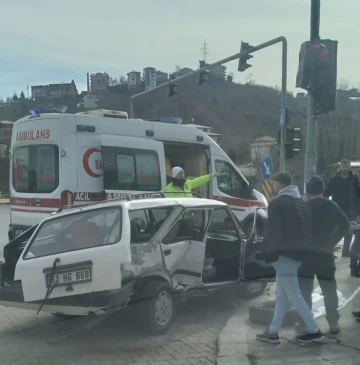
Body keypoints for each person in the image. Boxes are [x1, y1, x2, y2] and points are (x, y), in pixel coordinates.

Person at [256, 172, 324, 344]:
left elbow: (274, 232)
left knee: (294, 294)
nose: (273, 187)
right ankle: (272, 331)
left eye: (274, 184)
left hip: (283, 255)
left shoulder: (278, 203)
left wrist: (270, 254)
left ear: (279, 185)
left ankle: (314, 330)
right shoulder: (302, 203)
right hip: (298, 255)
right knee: (281, 296)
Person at [296, 175, 349, 335]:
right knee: (329, 289)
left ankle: (305, 323)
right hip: (325, 255)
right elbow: (346, 226)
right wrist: (333, 241)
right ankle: (333, 323)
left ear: (308, 190)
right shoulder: (332, 206)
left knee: (304, 291)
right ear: (323, 190)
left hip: (306, 256)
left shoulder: (302, 206)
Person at [324, 159, 355, 257]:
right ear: (340, 167)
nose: (345, 168)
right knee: (335, 229)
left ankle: (346, 250)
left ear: (349, 166)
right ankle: (329, 248)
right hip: (336, 207)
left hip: (350, 208)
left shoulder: (354, 179)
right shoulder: (334, 179)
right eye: (343, 166)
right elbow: (327, 193)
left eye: (347, 166)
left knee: (349, 229)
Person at [350, 174, 360, 277]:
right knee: (358, 241)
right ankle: (353, 266)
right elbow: (354, 199)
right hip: (358, 215)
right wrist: (358, 214)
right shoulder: (355, 182)